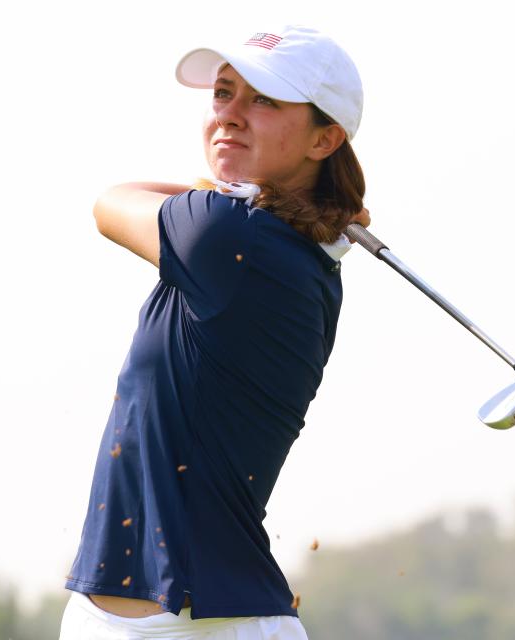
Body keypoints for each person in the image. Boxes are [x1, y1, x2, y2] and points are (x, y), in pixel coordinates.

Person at [58, 24, 371, 640]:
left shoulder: (227, 237)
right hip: (139, 617)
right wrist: (265, 199)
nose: (231, 115)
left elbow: (112, 202)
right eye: (224, 94)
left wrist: (231, 195)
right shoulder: (283, 248)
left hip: (204, 625)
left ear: (325, 138)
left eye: (264, 100)